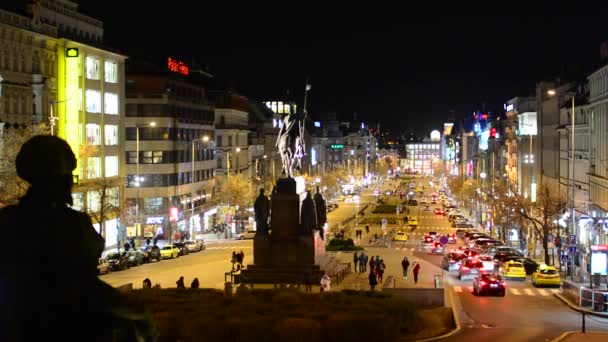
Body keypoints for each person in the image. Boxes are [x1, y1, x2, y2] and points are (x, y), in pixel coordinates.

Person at [0, 135, 154, 341]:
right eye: (68, 175)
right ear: (57, 178)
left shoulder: (7, 220)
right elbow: (86, 290)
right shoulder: (70, 225)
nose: (71, 182)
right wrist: (139, 313)